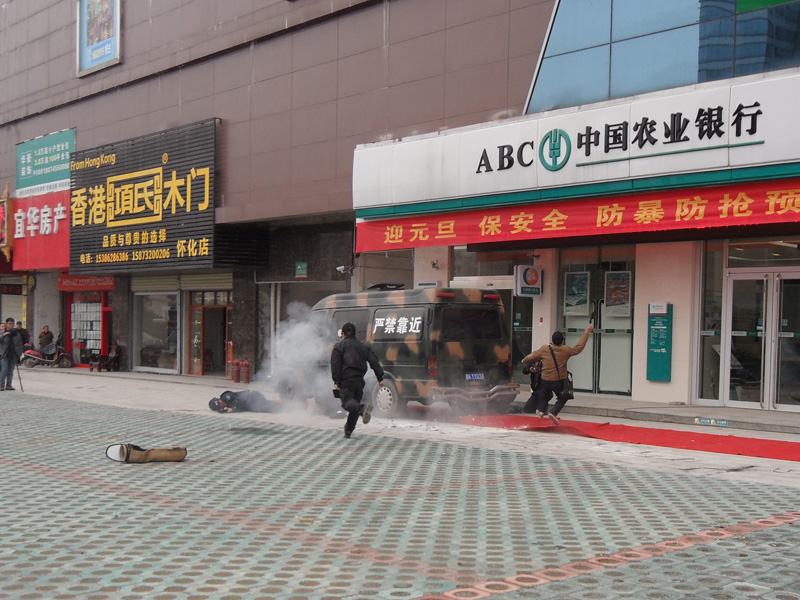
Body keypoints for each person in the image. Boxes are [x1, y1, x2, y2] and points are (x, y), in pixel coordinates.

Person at [521, 324, 594, 425]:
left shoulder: (544, 349)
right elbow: (579, 348)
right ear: (562, 341)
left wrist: (524, 360)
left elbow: (532, 356)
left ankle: (541, 410)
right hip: (558, 380)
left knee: (544, 393)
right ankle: (553, 413)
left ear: (552, 340)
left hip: (545, 379)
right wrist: (586, 333)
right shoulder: (566, 350)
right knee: (563, 397)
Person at [330, 322, 384, 438]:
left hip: (346, 380)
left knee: (347, 403)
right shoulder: (364, 347)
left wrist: (337, 381)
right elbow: (374, 361)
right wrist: (380, 377)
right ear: (355, 334)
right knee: (354, 404)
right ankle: (348, 431)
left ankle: (363, 408)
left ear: (343, 334)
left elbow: (335, 365)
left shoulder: (339, 347)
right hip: (359, 381)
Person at [0, 317, 24, 391]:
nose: (11, 325)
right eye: (9, 323)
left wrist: (19, 353)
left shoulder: (16, 333)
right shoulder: (2, 332)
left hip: (13, 354)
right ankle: (1, 384)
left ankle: (9, 384)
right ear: (6, 324)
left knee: (10, 371)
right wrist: (4, 335)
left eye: (12, 324)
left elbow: (19, 344)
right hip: (4, 354)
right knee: (4, 370)